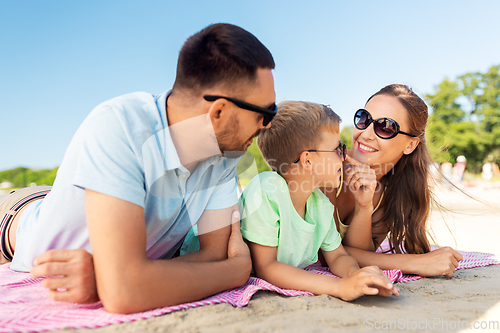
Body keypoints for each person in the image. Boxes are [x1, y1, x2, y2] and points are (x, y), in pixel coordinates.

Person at [0, 23, 277, 314]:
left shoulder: (226, 155)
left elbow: (213, 255)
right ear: (219, 112)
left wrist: (121, 278)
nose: (267, 126)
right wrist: (235, 271)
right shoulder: (120, 125)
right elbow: (125, 292)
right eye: (265, 113)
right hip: (14, 220)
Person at [239, 101, 399, 299]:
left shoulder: (320, 204)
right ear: (307, 160)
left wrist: (356, 275)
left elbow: (338, 256)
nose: (344, 157)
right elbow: (267, 267)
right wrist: (340, 287)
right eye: (337, 149)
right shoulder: (267, 190)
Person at [322, 84, 463, 278]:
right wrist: (416, 263)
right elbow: (324, 253)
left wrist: (364, 208)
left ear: (411, 144)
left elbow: (361, 254)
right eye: (364, 119)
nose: (366, 134)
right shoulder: (327, 167)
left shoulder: (393, 192)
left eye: (385, 127)